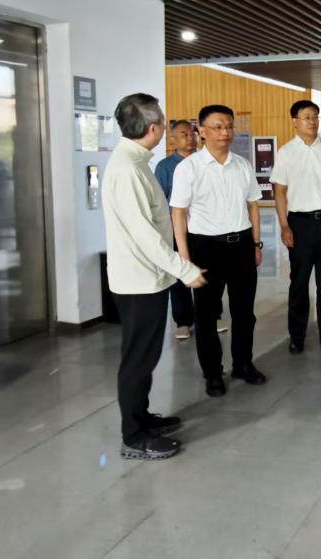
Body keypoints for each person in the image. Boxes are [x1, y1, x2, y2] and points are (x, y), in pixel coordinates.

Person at [101, 93, 206, 461]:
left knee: (145, 356)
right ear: (152, 128)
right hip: (138, 281)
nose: (164, 126)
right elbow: (144, 235)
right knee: (138, 359)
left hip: (148, 278)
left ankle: (142, 418)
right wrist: (184, 269)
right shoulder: (128, 169)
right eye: (162, 121)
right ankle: (133, 437)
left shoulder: (136, 161)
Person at [171, 104, 266, 398]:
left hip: (241, 245)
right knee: (206, 315)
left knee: (244, 312)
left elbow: (253, 205)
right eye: (217, 127)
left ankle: (243, 364)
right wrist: (185, 259)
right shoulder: (188, 168)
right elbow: (178, 213)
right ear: (201, 131)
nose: (225, 132)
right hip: (205, 248)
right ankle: (212, 373)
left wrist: (256, 243)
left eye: (229, 126)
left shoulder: (243, 165)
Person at [271, 100, 321, 353]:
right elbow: (279, 192)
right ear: (295, 121)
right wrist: (284, 226)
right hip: (299, 223)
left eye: (315, 117)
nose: (313, 121)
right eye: (307, 117)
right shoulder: (286, 152)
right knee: (299, 282)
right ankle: (297, 336)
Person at [154, 120, 198, 340]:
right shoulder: (165, 167)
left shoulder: (204, 160)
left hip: (204, 228)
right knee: (180, 274)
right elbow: (160, 201)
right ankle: (183, 321)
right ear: (172, 140)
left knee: (208, 271)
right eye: (184, 134)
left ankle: (210, 316)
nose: (190, 138)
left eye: (192, 133)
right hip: (176, 227)